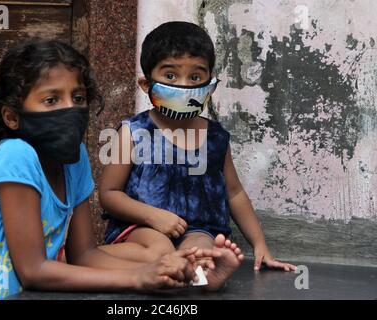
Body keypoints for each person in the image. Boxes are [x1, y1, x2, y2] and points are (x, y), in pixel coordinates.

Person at [0, 40, 217, 300]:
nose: (70, 108)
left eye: (78, 97)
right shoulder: (16, 155)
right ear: (12, 117)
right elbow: (33, 270)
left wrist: (176, 272)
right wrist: (137, 278)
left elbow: (86, 254)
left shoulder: (74, 160)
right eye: (51, 100)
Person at [99, 21, 296, 291]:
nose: (184, 85)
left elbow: (234, 192)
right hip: (141, 228)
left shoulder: (215, 137)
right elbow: (109, 194)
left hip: (198, 228)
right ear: (147, 84)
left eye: (195, 78)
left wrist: (260, 244)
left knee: (203, 252)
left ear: (210, 85)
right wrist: (153, 216)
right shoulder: (133, 132)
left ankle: (202, 279)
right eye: (170, 76)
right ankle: (87, 258)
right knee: (160, 249)